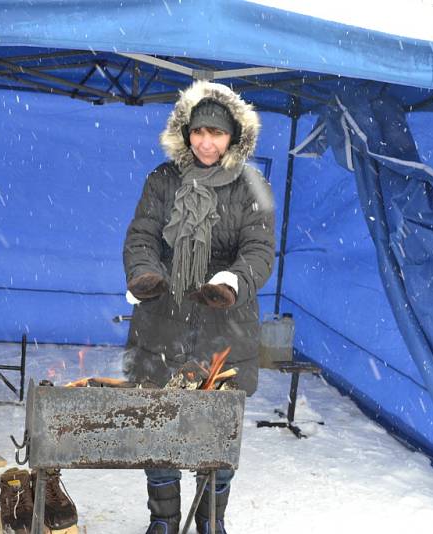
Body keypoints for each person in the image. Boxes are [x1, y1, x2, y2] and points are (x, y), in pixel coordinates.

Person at [123, 81, 276, 534]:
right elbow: (142, 236)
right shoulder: (163, 179)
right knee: (159, 425)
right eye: (199, 132)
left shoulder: (253, 184)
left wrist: (232, 280)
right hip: (162, 319)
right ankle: (164, 521)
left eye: (218, 133)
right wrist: (144, 272)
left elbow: (260, 249)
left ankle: (211, 521)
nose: (207, 142)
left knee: (218, 429)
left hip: (226, 323)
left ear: (234, 137)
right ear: (186, 132)